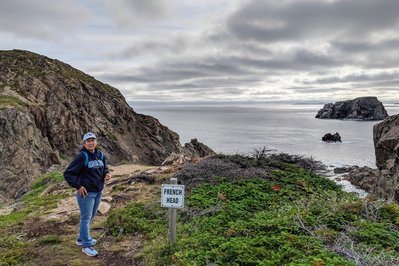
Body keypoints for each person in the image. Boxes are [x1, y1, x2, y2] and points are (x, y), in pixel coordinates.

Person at [64, 132, 111, 257]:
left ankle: (81, 239)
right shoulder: (82, 156)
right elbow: (68, 173)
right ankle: (86, 246)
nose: (91, 143)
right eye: (88, 141)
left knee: (91, 216)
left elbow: (104, 168)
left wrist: (107, 174)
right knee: (85, 218)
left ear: (96, 142)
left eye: (93, 140)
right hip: (86, 194)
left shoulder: (100, 155)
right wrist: (78, 186)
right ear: (84, 143)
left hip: (98, 191)